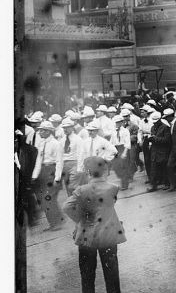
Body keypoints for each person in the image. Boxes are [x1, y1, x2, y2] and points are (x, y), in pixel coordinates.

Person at [62, 156, 126, 293]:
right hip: (108, 235)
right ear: (104, 170)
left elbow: (66, 206)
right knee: (112, 274)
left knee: (87, 274)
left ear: (87, 172)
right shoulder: (113, 188)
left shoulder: (81, 190)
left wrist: (80, 220)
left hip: (86, 236)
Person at [31, 121, 64, 231]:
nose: (40, 131)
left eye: (43, 130)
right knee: (43, 198)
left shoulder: (56, 144)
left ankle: (56, 223)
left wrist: (57, 178)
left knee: (48, 198)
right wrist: (35, 175)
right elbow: (38, 160)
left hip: (52, 170)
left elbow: (59, 162)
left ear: (48, 131)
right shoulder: (42, 143)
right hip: (43, 171)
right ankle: (54, 221)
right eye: (40, 129)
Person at [147, 110, 172, 192]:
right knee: (153, 169)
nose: (154, 123)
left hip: (162, 151)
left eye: (156, 121)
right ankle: (153, 185)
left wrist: (155, 138)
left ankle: (167, 183)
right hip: (154, 151)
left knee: (164, 169)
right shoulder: (152, 127)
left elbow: (167, 140)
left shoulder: (165, 127)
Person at [59, 118, 83, 196]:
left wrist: (79, 168)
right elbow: (60, 155)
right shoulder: (62, 140)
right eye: (64, 128)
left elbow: (80, 153)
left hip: (74, 164)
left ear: (72, 128)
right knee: (67, 185)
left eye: (67, 127)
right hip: (65, 165)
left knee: (73, 186)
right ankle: (72, 203)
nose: (65, 129)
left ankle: (78, 202)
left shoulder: (78, 139)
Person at [110, 115, 132, 191]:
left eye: (119, 122)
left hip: (123, 148)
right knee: (116, 167)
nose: (117, 124)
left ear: (122, 122)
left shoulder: (125, 131)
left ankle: (124, 184)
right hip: (116, 149)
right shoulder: (113, 131)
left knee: (124, 167)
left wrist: (125, 153)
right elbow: (111, 143)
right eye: (116, 123)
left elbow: (127, 143)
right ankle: (125, 178)